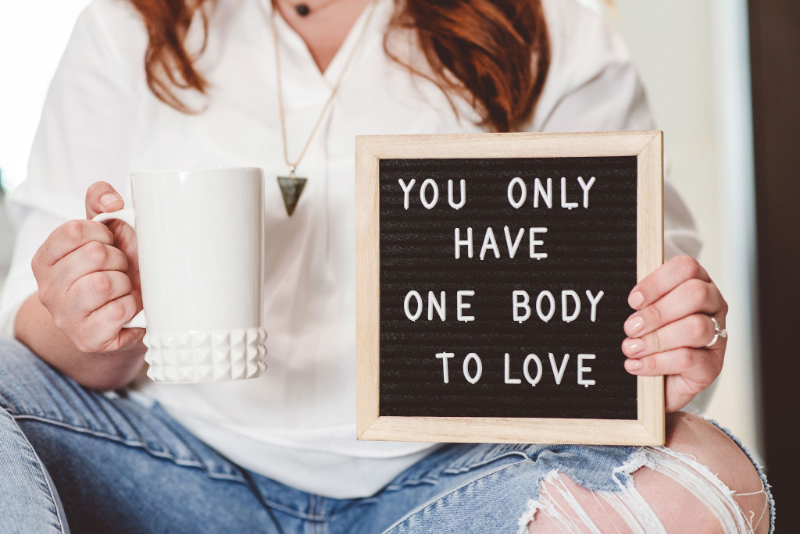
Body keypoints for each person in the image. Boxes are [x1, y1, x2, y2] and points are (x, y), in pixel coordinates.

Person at [0, 0, 773, 532]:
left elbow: (643, 324)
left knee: (708, 478)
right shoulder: (128, 23)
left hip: (446, 485)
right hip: (173, 470)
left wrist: (666, 347)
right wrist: (95, 308)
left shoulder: (549, 28)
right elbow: (42, 340)